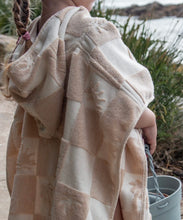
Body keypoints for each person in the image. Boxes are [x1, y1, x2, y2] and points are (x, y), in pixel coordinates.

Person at [2, 0, 157, 219]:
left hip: (47, 172)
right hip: (88, 180)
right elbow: (126, 101)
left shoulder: (34, 34)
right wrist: (149, 119)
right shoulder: (92, 34)